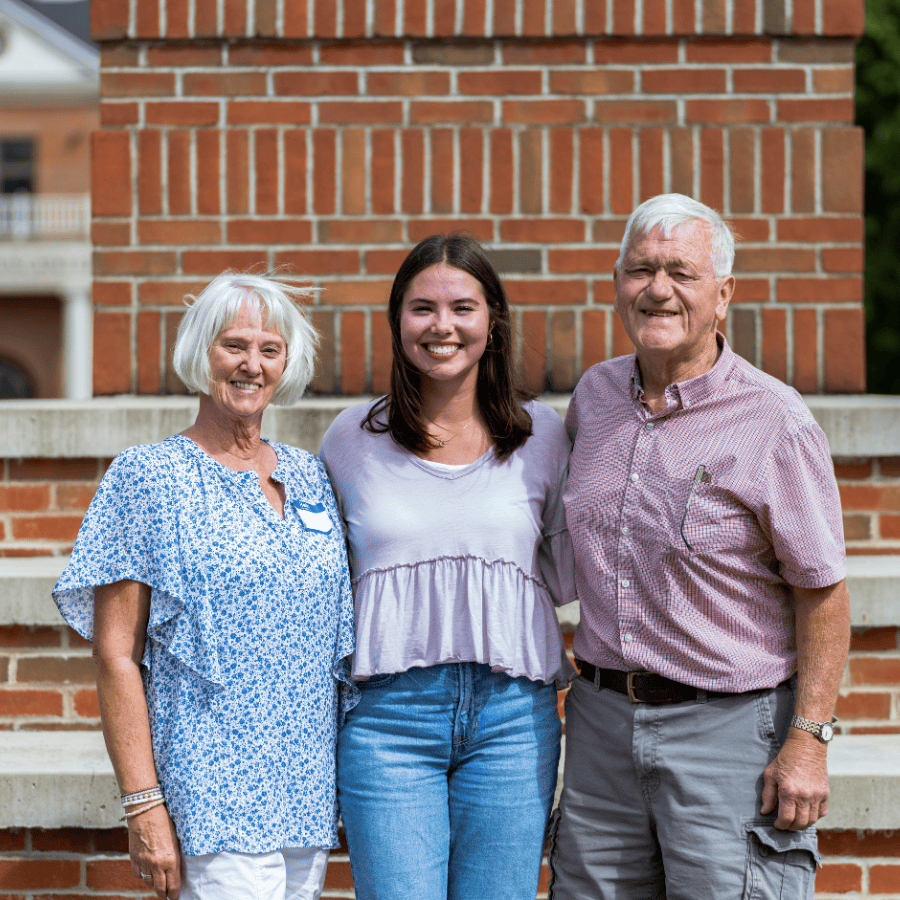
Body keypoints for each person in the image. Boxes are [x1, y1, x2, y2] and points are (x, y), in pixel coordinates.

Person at [549, 194, 850, 900]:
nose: (658, 289)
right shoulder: (593, 398)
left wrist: (808, 739)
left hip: (729, 732)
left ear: (723, 295)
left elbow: (824, 592)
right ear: (617, 283)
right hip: (599, 725)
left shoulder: (774, 420)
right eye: (641, 270)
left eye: (681, 272)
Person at [53, 273, 354, 900]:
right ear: (200, 351)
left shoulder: (308, 473)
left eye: (270, 350)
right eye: (234, 346)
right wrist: (143, 805)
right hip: (212, 791)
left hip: (305, 790)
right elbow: (115, 654)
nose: (252, 364)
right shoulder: (148, 477)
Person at [319, 233, 576, 900]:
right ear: (397, 321)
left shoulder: (543, 434)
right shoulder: (351, 439)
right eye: (421, 308)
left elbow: (568, 563)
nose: (442, 327)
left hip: (513, 720)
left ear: (493, 321)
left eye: (463, 308)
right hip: (387, 723)